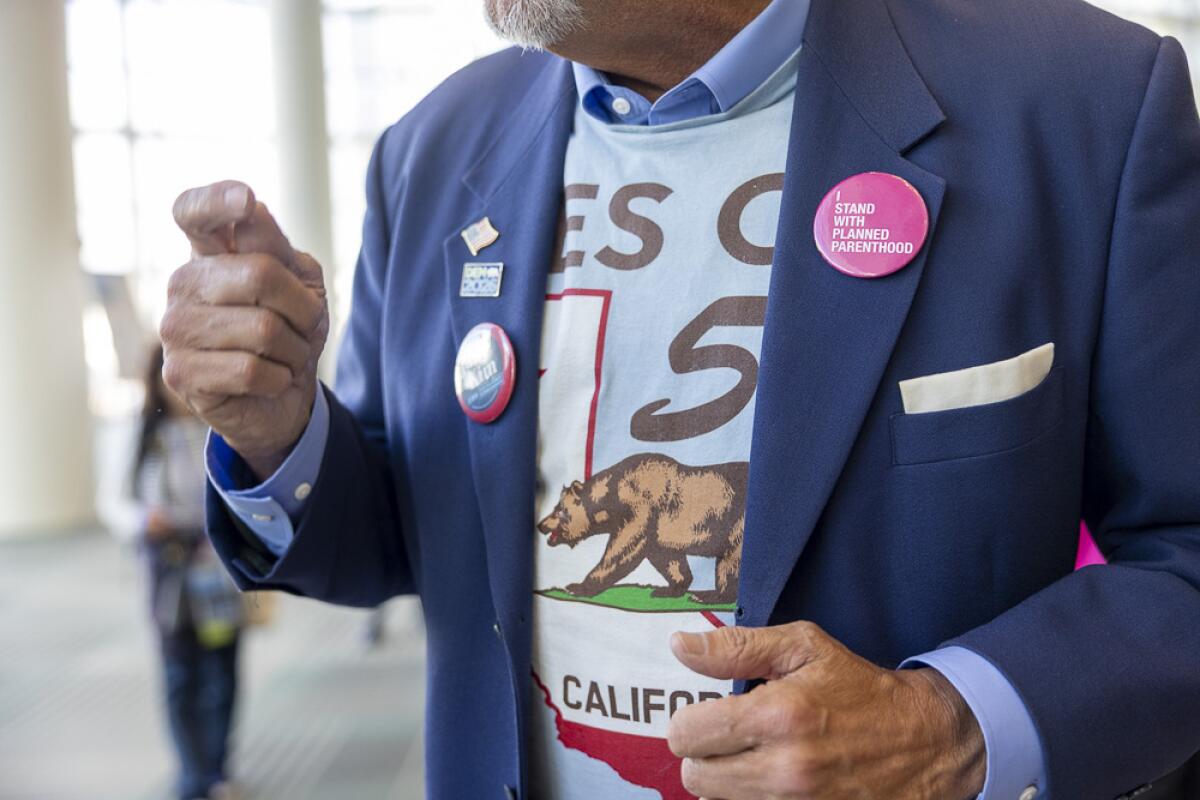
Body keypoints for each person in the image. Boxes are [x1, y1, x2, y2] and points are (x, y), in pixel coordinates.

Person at [159, 0, 1200, 797]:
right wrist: (277, 430)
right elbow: (400, 536)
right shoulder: (432, 150)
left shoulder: (1084, 103)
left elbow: (1183, 554)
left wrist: (952, 723)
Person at [131, 345, 242, 800]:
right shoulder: (145, 436)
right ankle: (191, 776)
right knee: (179, 675)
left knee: (221, 673)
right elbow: (117, 500)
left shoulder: (223, 427)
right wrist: (144, 520)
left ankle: (216, 771)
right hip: (170, 571)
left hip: (215, 568)